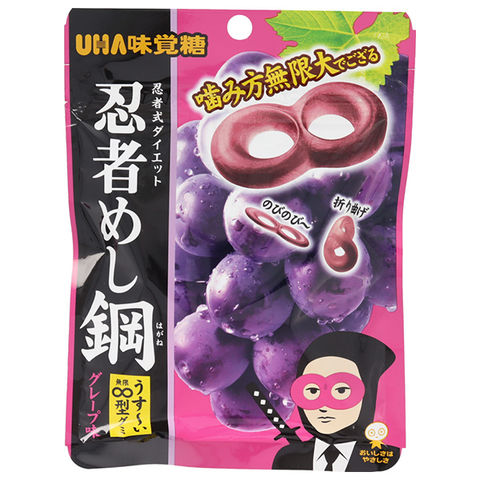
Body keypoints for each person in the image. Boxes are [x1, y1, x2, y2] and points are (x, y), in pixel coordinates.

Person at [272, 331, 400, 471]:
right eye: (313, 391)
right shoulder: (287, 459)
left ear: (367, 394)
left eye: (341, 391)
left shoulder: (384, 459)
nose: (323, 407)